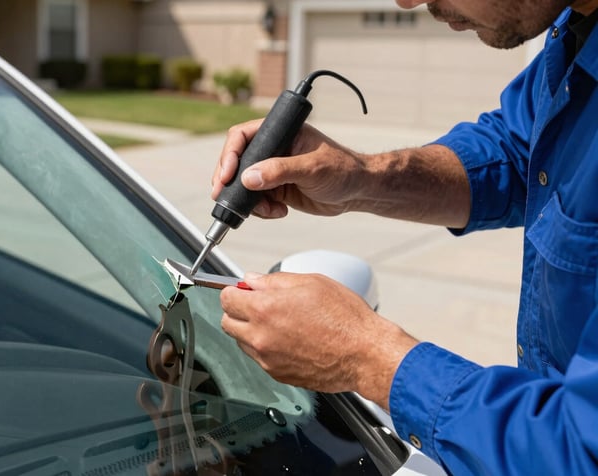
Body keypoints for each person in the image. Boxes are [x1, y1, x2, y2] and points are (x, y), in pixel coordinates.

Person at [212, 0, 598, 474]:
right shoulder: (576, 31)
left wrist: (365, 355)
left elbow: (582, 451)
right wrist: (362, 176)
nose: (406, 1)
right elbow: (518, 155)